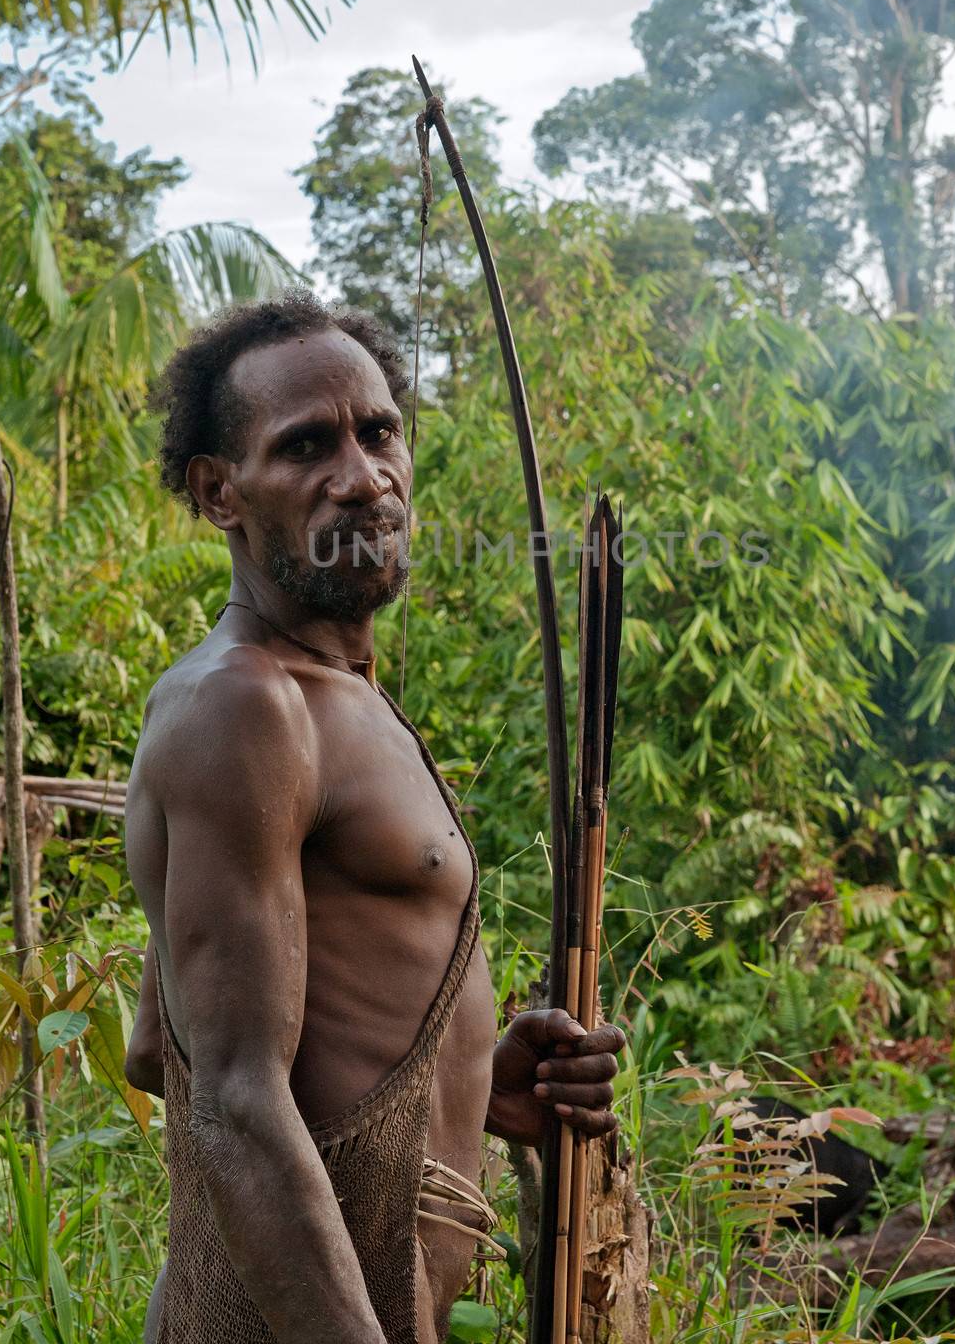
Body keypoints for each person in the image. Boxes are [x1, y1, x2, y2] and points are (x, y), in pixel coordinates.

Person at [123, 294, 624, 1344]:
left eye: (379, 431)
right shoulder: (244, 704)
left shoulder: (343, 696)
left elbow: (153, 1041)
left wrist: (482, 1079)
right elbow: (229, 1099)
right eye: (306, 445)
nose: (363, 476)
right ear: (219, 490)